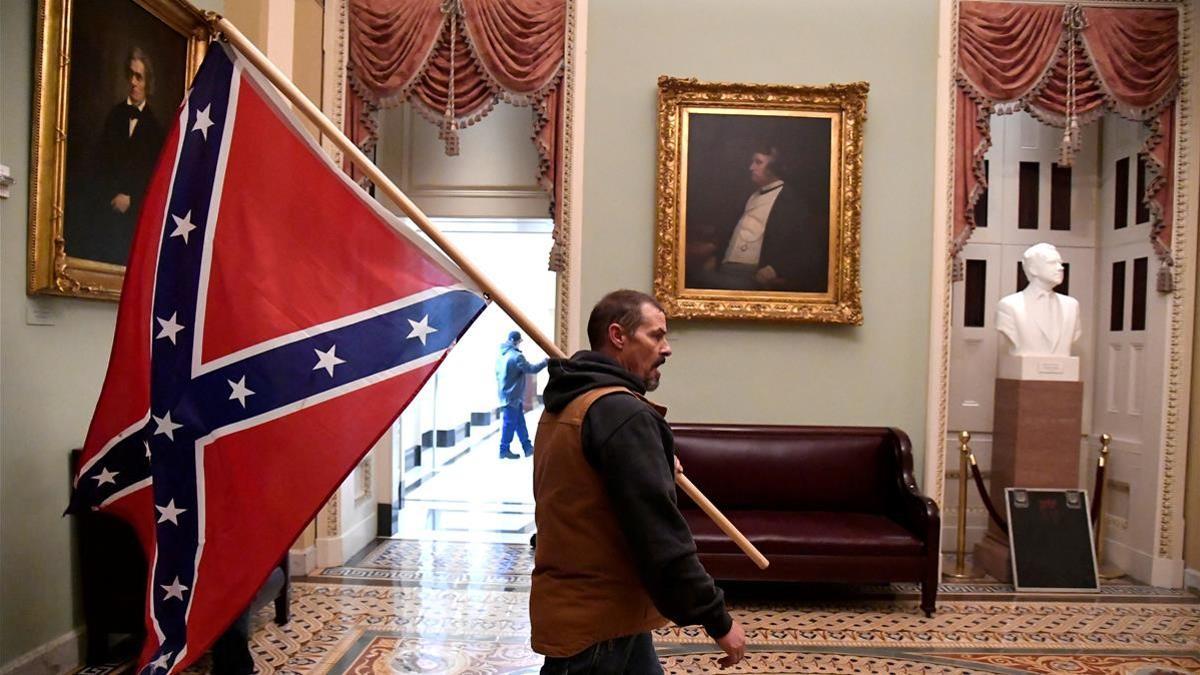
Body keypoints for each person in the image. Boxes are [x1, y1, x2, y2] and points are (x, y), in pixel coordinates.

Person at [530, 289, 747, 673]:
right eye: (656, 335)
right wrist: (717, 618)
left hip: (605, 616)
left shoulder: (572, 404)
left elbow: (588, 490)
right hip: (597, 630)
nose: (666, 349)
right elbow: (660, 534)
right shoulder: (620, 414)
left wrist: (654, 462)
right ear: (618, 336)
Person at [691, 144, 827, 293]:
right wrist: (716, 257)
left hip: (752, 277)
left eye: (758, 162)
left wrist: (774, 270)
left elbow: (808, 251)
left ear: (775, 167)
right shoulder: (750, 196)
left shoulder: (791, 202)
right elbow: (731, 233)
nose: (751, 167)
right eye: (752, 162)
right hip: (724, 269)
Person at [83, 47, 165, 265]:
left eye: (139, 77)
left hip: (135, 219)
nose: (133, 82)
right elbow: (99, 163)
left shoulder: (156, 129)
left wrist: (132, 198)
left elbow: (156, 179)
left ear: (148, 82)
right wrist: (111, 194)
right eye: (131, 75)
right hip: (105, 210)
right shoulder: (114, 116)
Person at [996, 243, 1082, 356]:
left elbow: (1075, 334)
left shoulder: (1071, 305)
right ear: (1033, 269)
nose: (1060, 267)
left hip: (1064, 369)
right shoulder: (1009, 305)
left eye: (1060, 263)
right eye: (1052, 263)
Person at [496, 331, 547, 459]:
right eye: (519, 342)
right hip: (512, 396)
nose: (520, 344)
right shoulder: (516, 357)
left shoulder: (502, 355)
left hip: (506, 394)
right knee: (509, 424)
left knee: (519, 422)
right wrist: (545, 362)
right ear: (516, 341)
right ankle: (504, 449)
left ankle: (527, 447)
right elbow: (531, 369)